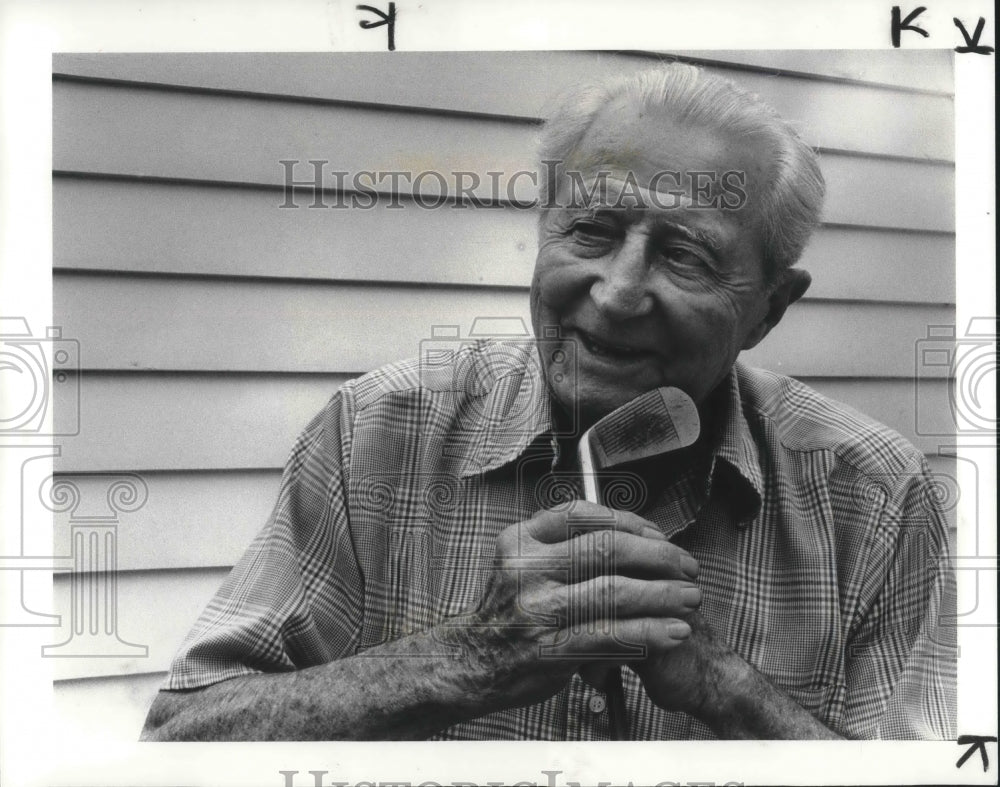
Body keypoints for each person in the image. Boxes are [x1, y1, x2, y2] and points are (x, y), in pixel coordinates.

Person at [140, 63, 955, 741]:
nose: (617, 291)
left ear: (770, 308)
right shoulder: (380, 430)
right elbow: (181, 740)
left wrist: (724, 685)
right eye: (592, 230)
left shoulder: (872, 492)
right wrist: (468, 657)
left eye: (686, 255)